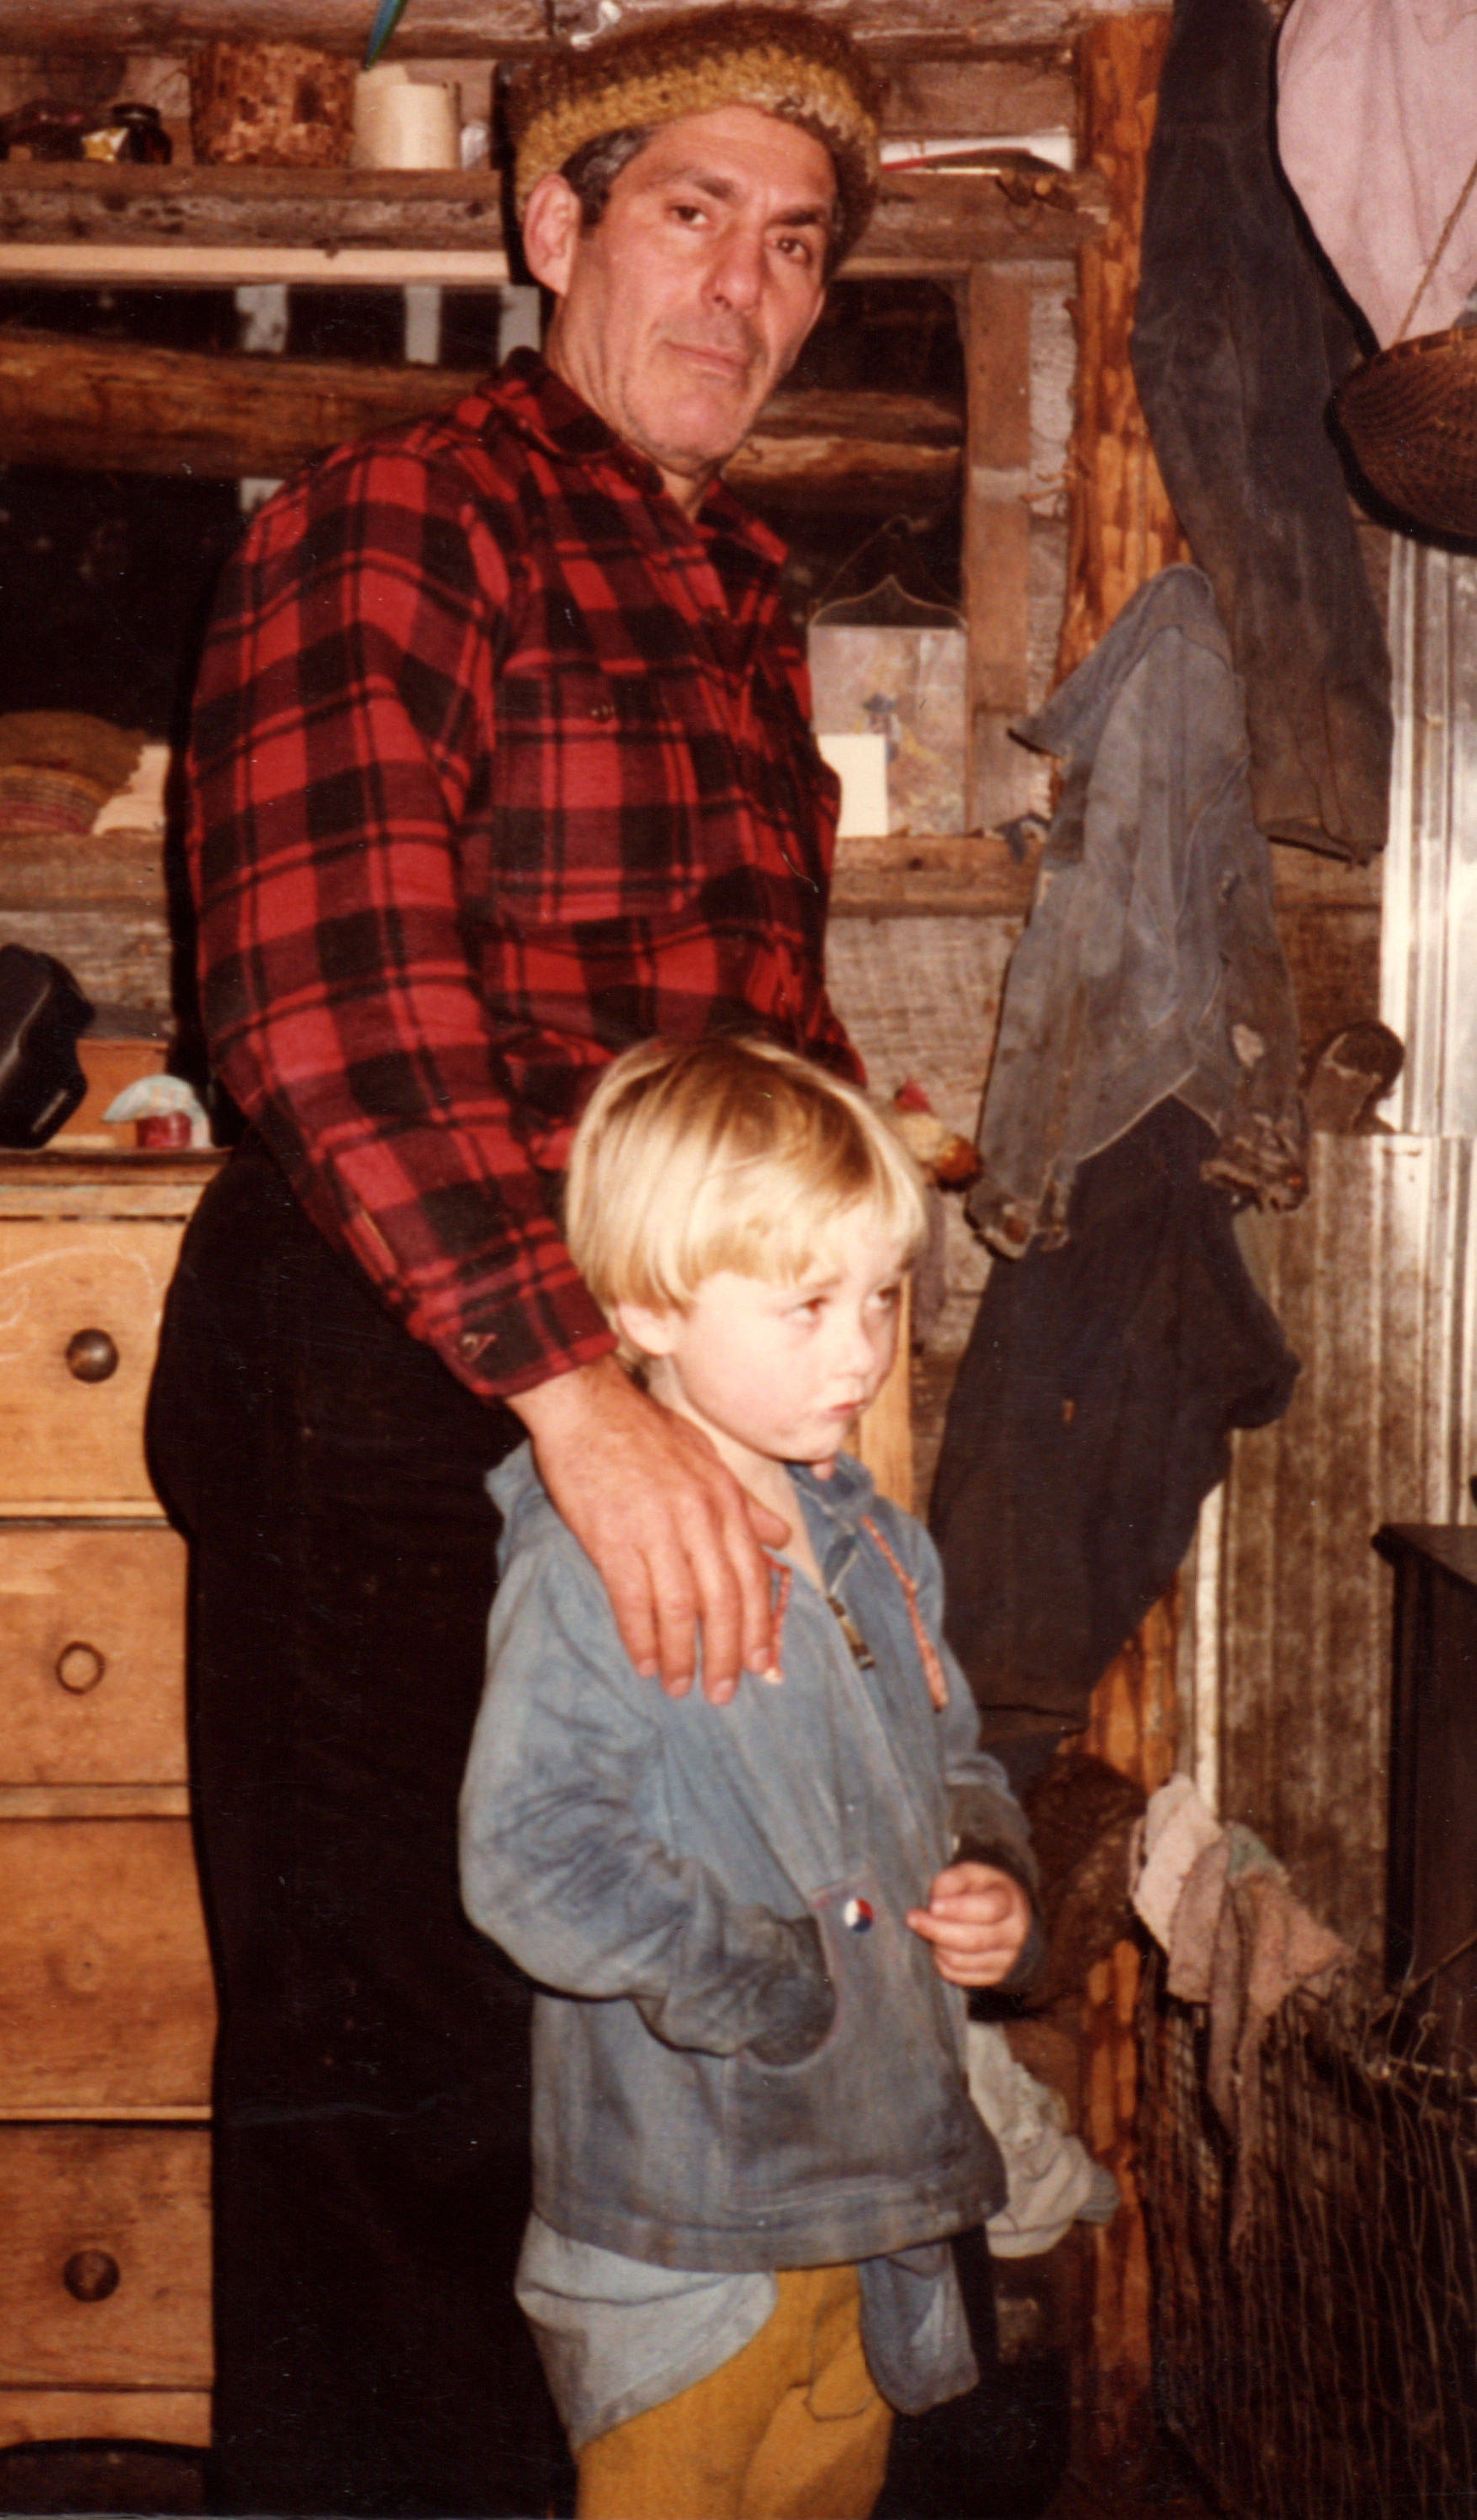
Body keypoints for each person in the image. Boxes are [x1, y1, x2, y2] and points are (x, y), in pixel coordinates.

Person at [146, 7, 889, 2517]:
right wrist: (576, 1396)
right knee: (396, 2067)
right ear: (551, 230)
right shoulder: (398, 518)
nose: (743, 285)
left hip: (644, 1365)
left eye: (794, 244)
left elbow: (740, 1030)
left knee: (607, 2022)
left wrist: (814, 1314)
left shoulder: (737, 587)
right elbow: (324, 1000)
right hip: (398, 1359)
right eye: (689, 212)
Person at [460, 1037, 1041, 2520]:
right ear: (649, 1306)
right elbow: (535, 1854)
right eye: (807, 1307)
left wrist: (991, 1872)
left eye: (882, 1298)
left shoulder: (885, 1548)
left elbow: (957, 1761)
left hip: (876, 2207)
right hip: (688, 2229)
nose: (861, 1353)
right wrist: (768, 1983)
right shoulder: (594, 1564)